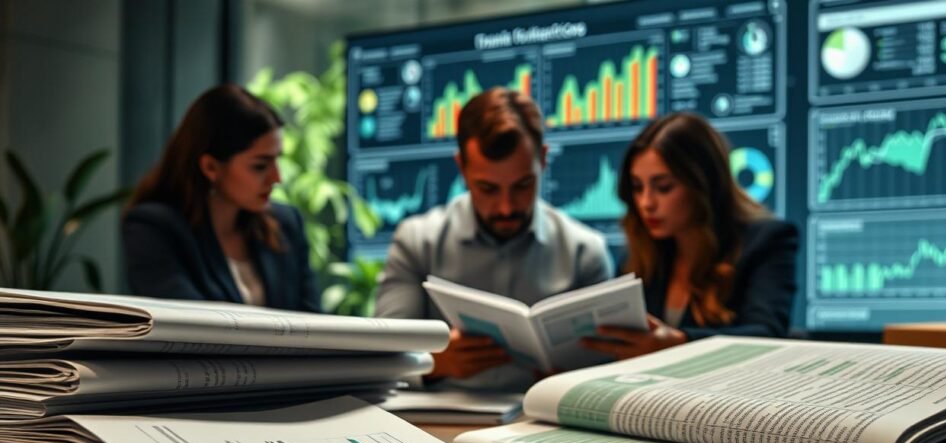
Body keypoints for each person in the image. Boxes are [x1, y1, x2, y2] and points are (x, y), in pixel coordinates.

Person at [375, 87, 613, 390]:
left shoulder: (586, 252)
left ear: (542, 159)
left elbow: (609, 370)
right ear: (461, 166)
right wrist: (434, 364)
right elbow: (386, 359)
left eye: (523, 185)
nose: (506, 207)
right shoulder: (417, 241)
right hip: (436, 425)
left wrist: (576, 383)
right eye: (488, 188)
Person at [582, 112, 798, 361]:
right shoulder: (638, 257)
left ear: (703, 184)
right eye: (637, 187)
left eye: (663, 187)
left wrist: (680, 343)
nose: (646, 203)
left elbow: (767, 336)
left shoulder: (768, 241)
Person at [122, 84, 320, 312]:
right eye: (260, 166)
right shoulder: (154, 228)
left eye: (277, 160)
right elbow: (190, 328)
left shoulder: (286, 224)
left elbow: (314, 323)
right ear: (210, 167)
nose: (277, 178)